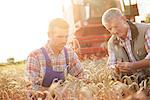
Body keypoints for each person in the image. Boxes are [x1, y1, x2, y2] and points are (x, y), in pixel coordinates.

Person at [25, 18, 83, 95]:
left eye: (66, 36)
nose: (64, 40)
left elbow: (82, 76)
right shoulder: (35, 56)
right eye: (60, 37)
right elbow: (31, 87)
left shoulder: (69, 54)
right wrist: (54, 93)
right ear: (49, 35)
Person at [101, 8, 150, 80]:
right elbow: (110, 65)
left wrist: (134, 65)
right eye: (110, 29)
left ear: (124, 19)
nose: (114, 31)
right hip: (133, 85)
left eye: (116, 26)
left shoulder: (145, 30)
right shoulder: (111, 43)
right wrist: (116, 68)